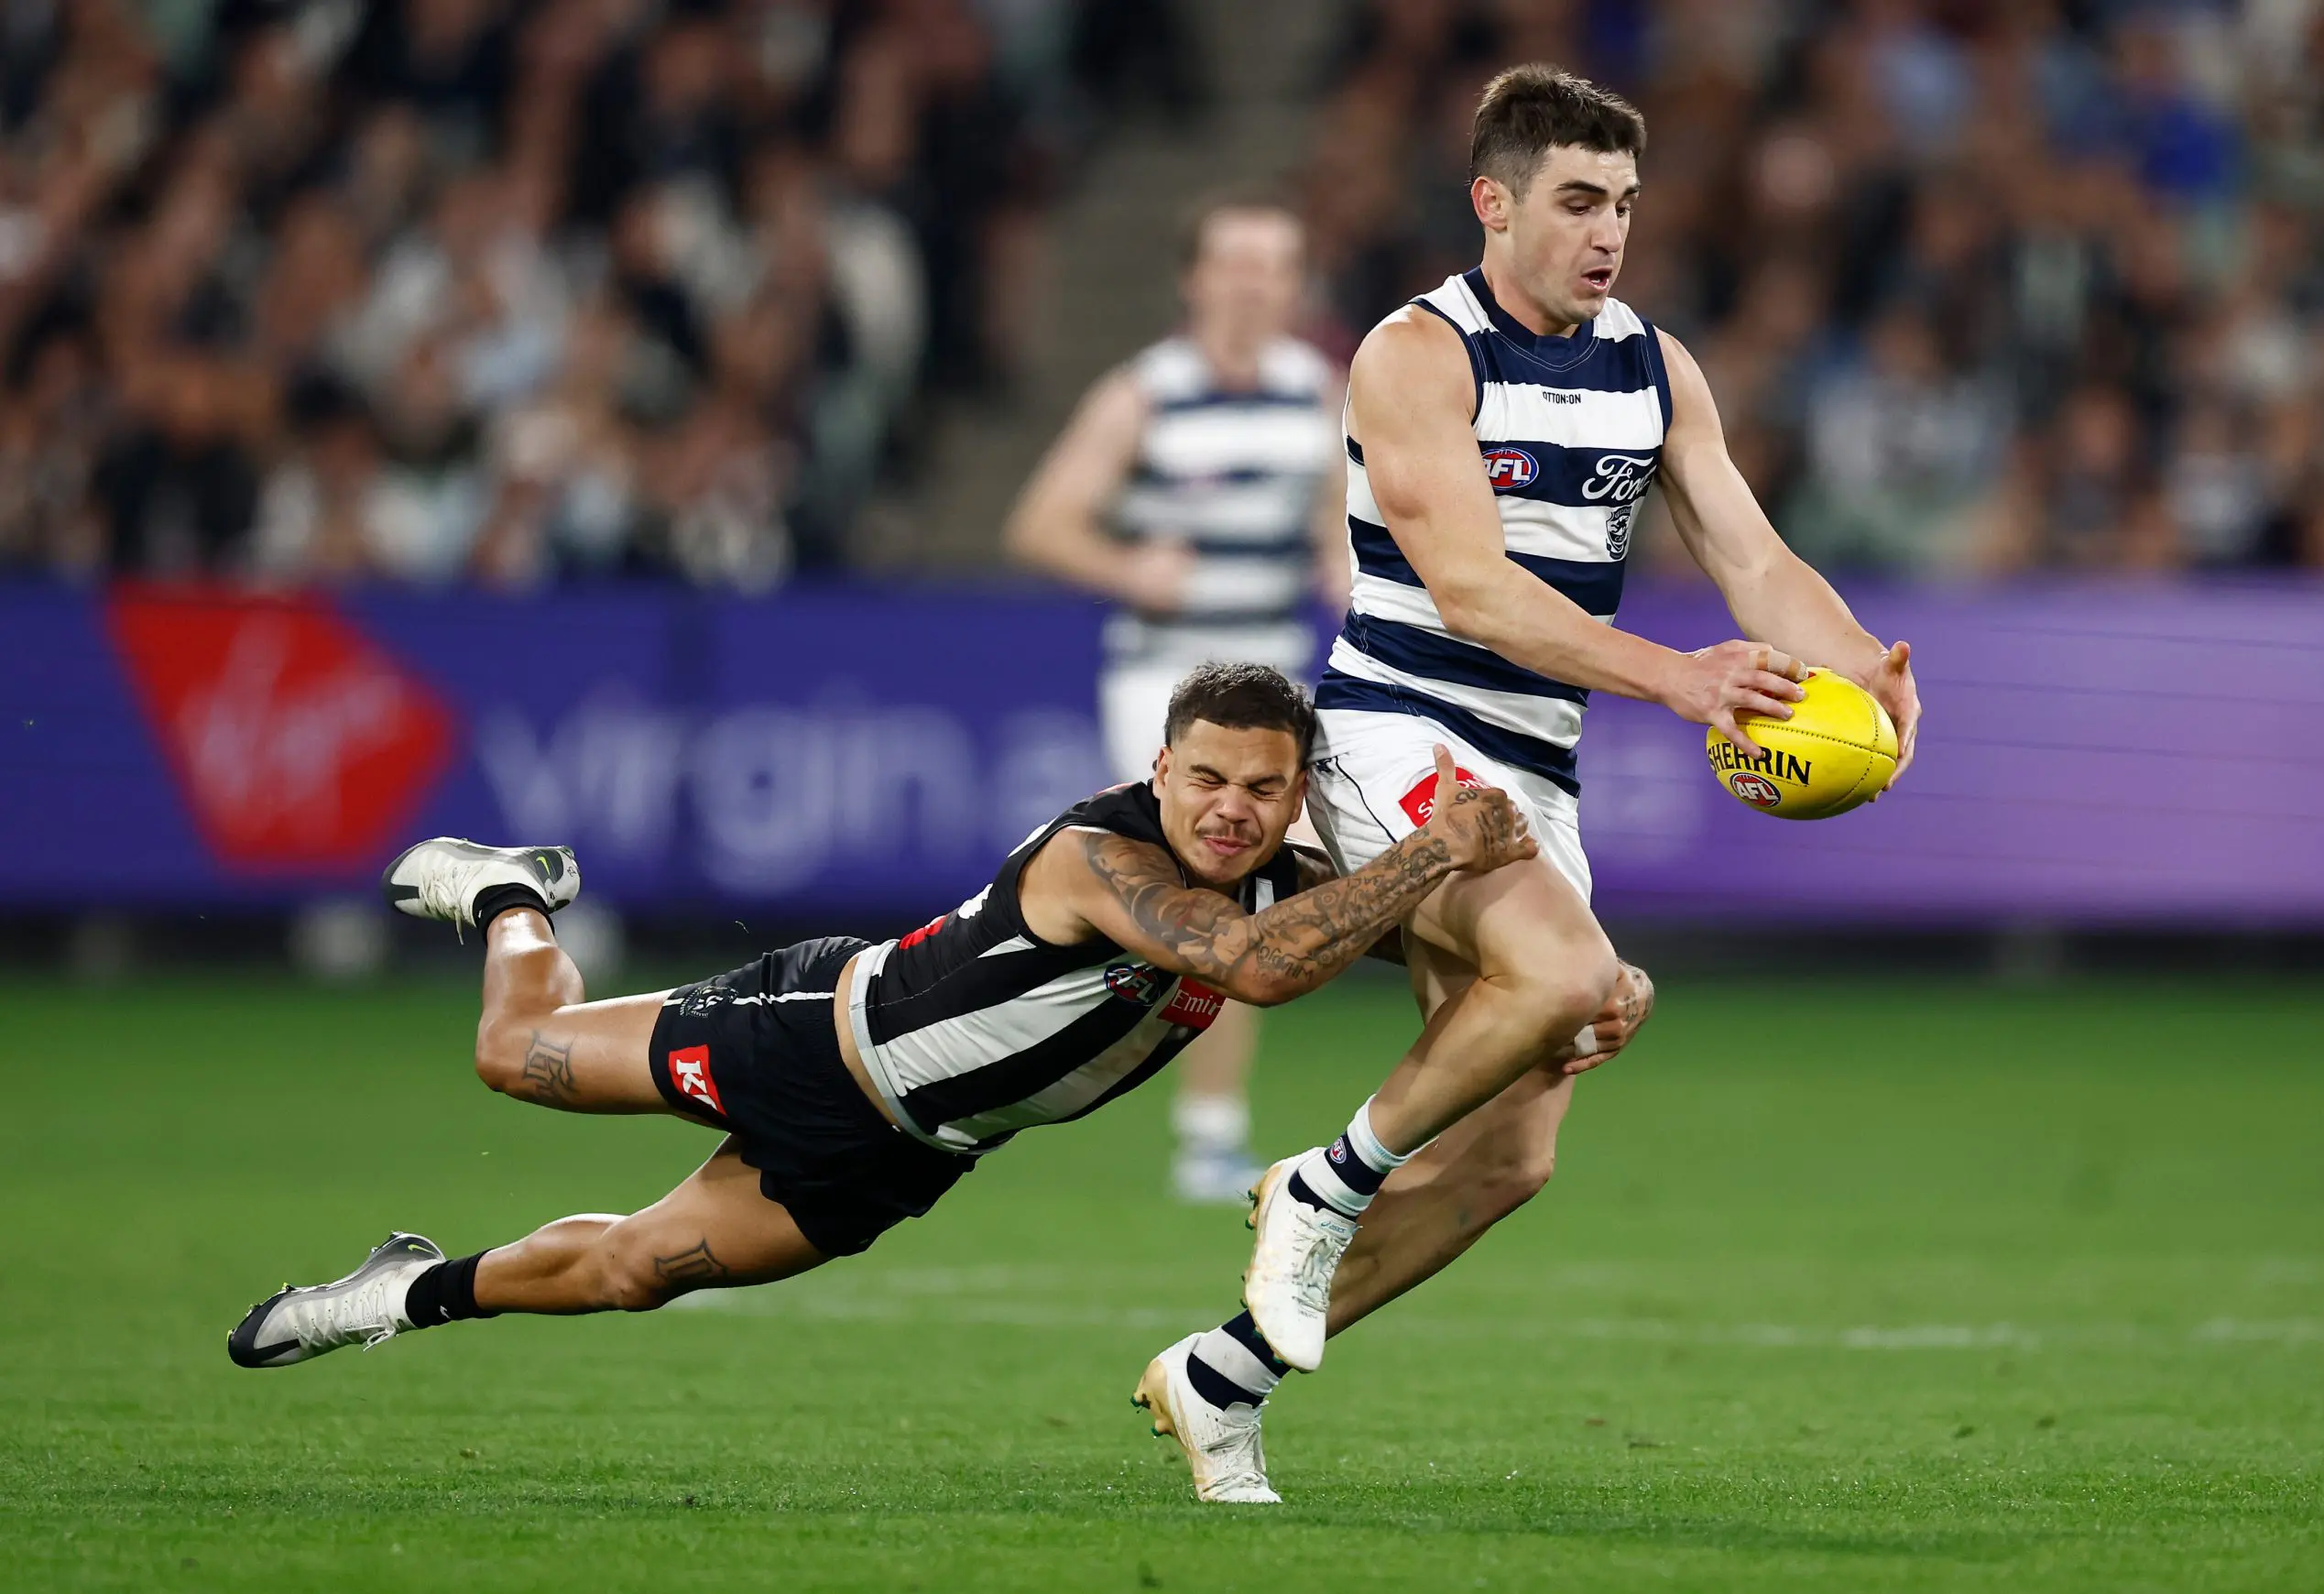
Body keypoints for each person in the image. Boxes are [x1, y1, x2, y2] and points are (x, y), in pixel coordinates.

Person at [224, 667, 1577, 1510]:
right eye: (1205, 776)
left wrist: (1571, 986)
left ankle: (399, 1289)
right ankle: (511, 889)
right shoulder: (1101, 856)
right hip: (811, 1036)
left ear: (1294, 804)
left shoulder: (1286, 879)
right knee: (513, 1051)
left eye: (1260, 790)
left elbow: (1426, 951)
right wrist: (1429, 858)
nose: (1227, 807)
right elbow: (1259, 967)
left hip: (909, 1151)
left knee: (633, 1274)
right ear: (1160, 767)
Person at [1138, 65, 1921, 1500]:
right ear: (1495, 205)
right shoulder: (1415, 353)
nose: (1607, 229)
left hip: (1536, 764)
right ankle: (1319, 1185)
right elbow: (1474, 591)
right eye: (1575, 200)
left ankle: (1221, 1379)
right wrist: (1680, 678)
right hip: (1400, 729)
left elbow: (1751, 558)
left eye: (1623, 202)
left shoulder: (1654, 365)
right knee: (1567, 978)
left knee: (1513, 1159)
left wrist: (1867, 669)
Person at [1006, 194, 1347, 1203]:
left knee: (1242, 898)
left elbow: (1333, 521)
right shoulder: (1143, 395)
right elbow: (1042, 524)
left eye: (1273, 266)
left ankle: (1204, 1127)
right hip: (1165, 684)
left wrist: (1344, 568)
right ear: (1195, 280)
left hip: (1278, 680)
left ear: (1294, 284)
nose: (1252, 284)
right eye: (1235, 264)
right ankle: (1170, 1115)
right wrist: (1126, 566)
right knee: (1196, 900)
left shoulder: (1314, 391)